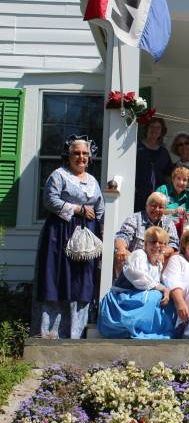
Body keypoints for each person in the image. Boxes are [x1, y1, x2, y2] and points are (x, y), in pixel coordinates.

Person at [32, 136, 104, 339]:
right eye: (77, 153)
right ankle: (50, 334)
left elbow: (99, 209)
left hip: (86, 239)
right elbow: (49, 200)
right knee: (56, 279)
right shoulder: (59, 175)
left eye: (85, 154)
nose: (81, 157)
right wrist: (78, 209)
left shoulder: (92, 181)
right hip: (60, 234)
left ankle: (76, 334)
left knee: (81, 282)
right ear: (68, 155)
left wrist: (100, 229)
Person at [98, 227, 176, 339]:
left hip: (137, 297)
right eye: (153, 242)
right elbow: (140, 279)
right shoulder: (139, 255)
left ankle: (153, 330)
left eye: (161, 243)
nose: (157, 245)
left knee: (164, 298)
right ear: (146, 244)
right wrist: (163, 288)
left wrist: (165, 290)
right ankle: (136, 327)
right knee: (155, 296)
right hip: (121, 300)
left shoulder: (158, 263)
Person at [114, 192, 179, 273]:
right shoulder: (134, 218)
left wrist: (162, 252)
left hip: (157, 263)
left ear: (165, 209)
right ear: (146, 206)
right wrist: (121, 248)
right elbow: (123, 236)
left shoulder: (169, 223)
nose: (157, 209)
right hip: (134, 263)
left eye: (161, 207)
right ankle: (121, 283)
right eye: (153, 206)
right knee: (120, 253)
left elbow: (173, 244)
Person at [134, 117, 173, 212]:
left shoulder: (163, 152)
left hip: (157, 195)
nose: (154, 130)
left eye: (158, 128)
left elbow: (168, 175)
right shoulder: (136, 148)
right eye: (152, 126)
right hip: (137, 194)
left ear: (161, 132)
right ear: (147, 128)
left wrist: (167, 194)